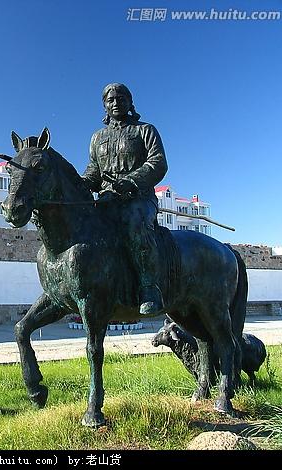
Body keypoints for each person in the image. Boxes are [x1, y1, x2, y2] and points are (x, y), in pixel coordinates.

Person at [82, 83, 168, 315]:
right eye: (110, 100)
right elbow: (93, 171)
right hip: (107, 200)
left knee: (134, 225)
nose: (116, 103)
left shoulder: (145, 130)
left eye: (121, 98)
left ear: (130, 102)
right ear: (105, 106)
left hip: (138, 199)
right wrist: (81, 184)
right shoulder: (97, 138)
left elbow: (157, 162)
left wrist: (131, 181)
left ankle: (150, 287)